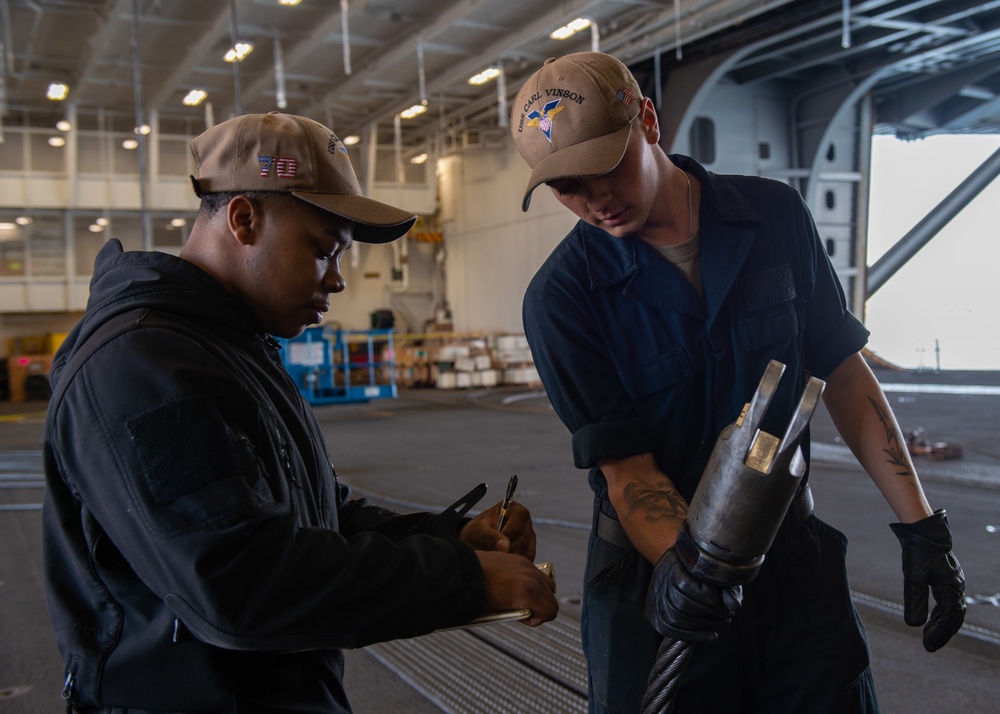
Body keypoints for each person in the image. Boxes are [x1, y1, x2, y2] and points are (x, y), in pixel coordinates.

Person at [42, 111, 558, 713]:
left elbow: (312, 519)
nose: (338, 281)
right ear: (243, 219)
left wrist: (454, 538)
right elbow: (241, 582)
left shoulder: (230, 350)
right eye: (322, 251)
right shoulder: (142, 368)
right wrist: (463, 580)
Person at [511, 52, 965, 713]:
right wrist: (689, 571)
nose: (592, 199)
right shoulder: (562, 299)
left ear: (648, 121)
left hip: (792, 571)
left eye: (605, 167)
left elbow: (839, 368)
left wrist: (923, 526)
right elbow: (627, 471)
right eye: (566, 187)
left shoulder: (775, 218)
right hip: (657, 585)